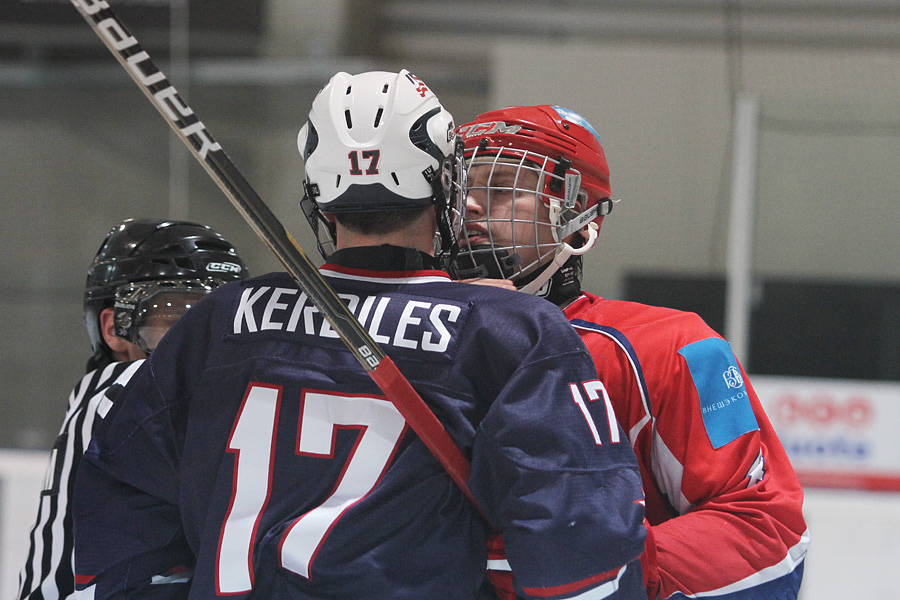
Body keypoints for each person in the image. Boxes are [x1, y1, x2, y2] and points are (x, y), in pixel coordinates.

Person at [71, 72, 648, 600]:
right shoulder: (509, 330)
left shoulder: (221, 320)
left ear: (317, 193)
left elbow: (118, 495)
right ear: (446, 183)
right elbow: (585, 553)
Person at [452, 105, 809, 600]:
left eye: (505, 186)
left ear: (579, 225)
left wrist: (611, 573)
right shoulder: (393, 335)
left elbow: (766, 532)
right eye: (459, 190)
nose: (469, 205)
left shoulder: (673, 347)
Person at [17, 218, 249, 600]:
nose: (193, 341)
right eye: (176, 314)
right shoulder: (116, 391)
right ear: (114, 328)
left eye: (216, 320)